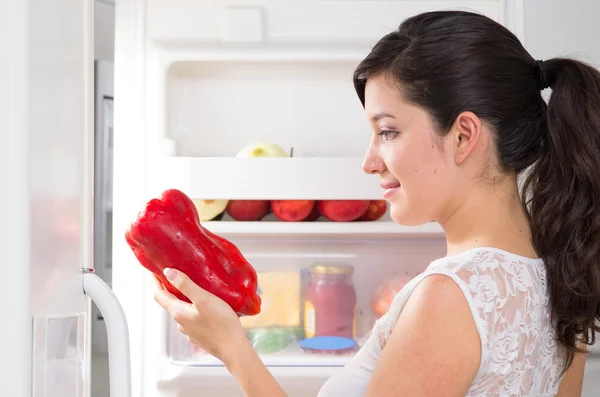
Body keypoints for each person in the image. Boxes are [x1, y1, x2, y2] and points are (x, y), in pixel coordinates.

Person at [153, 10, 600, 397]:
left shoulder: (450, 296)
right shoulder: (561, 275)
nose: (369, 162)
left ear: (464, 135)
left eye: (388, 131)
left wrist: (232, 349)